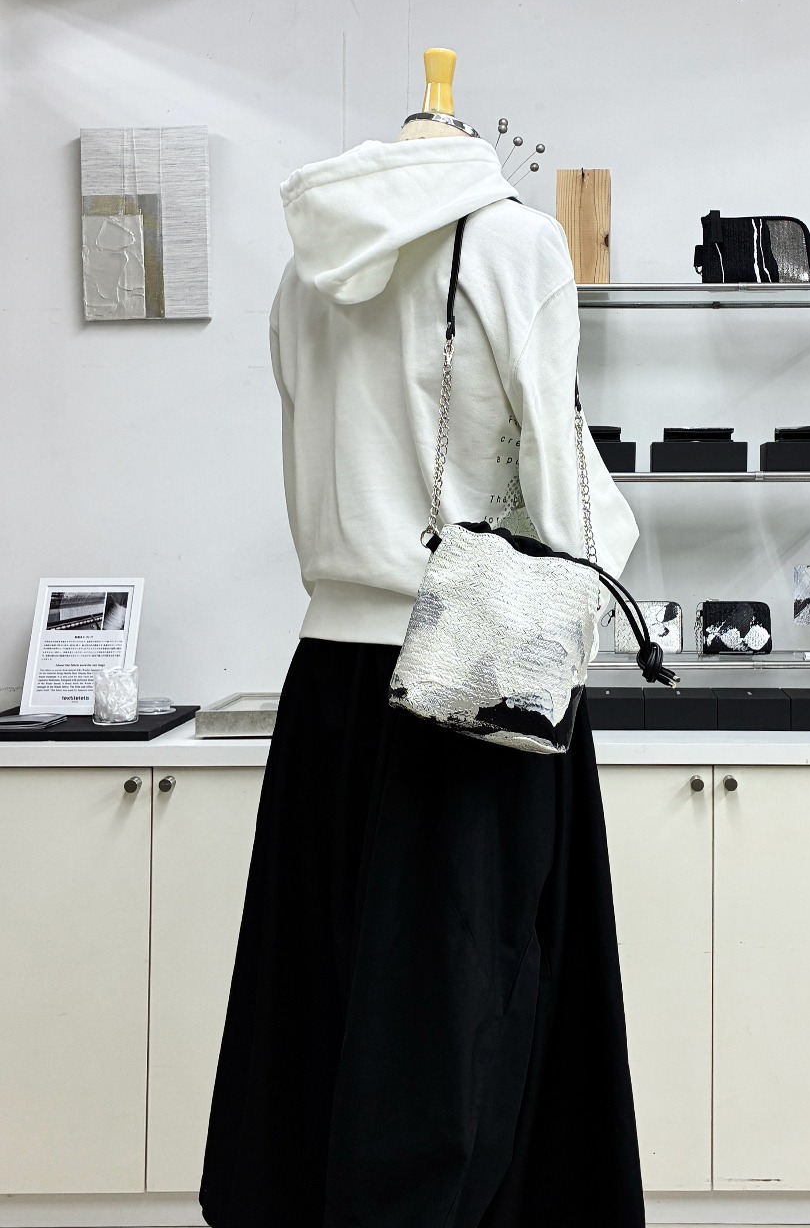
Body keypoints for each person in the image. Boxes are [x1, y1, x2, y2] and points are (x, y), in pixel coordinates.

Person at [199, 110, 646, 1228]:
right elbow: (568, 495)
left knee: (324, 992)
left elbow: (307, 446)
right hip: (472, 666)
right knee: (476, 999)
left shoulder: (306, 266)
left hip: (329, 677)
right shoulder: (514, 242)